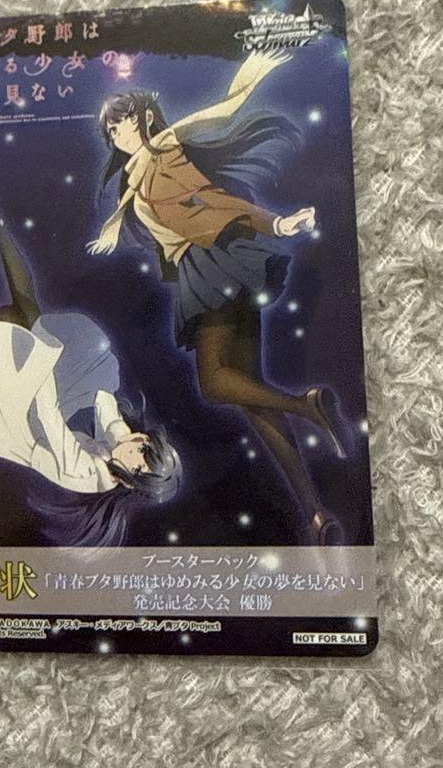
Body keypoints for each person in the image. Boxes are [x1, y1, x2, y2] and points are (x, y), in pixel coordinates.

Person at [88, 47, 347, 544]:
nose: (116, 133)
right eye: (111, 130)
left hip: (213, 265)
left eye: (123, 123)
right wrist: (113, 226)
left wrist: (277, 222)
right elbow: (134, 202)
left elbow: (215, 188)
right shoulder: (133, 178)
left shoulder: (165, 147)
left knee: (213, 384)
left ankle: (308, 406)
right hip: (216, 267)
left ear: (144, 119)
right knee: (252, 398)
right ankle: (316, 513)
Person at [0, 179, 182, 546]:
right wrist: (117, 424)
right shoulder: (122, 453)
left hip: (19, 421)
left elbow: (49, 416)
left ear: (132, 479)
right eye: (146, 443)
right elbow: (105, 408)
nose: (138, 442)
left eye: (141, 455)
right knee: (23, 312)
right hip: (44, 407)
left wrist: (44, 355)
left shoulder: (84, 472)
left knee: (18, 320)